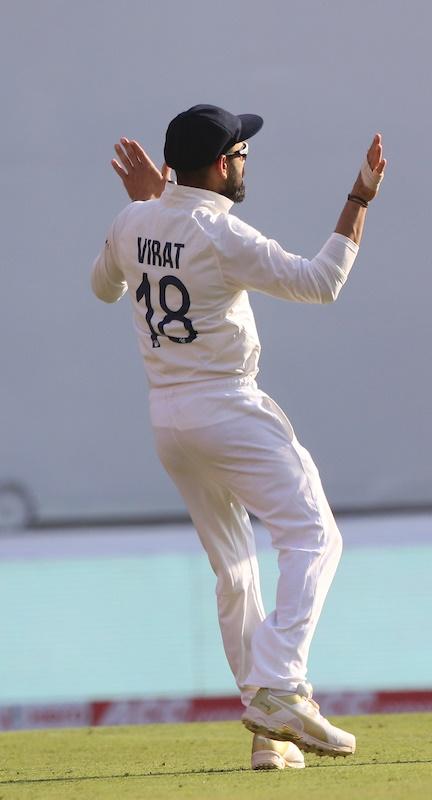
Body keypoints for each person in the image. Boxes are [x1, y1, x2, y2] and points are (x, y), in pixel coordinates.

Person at [91, 104, 386, 770]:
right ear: (221, 165)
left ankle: (268, 732)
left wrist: (149, 212)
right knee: (314, 535)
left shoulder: (133, 219)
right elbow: (322, 283)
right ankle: (281, 686)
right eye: (242, 154)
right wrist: (359, 196)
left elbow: (102, 286)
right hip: (225, 407)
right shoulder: (219, 233)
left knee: (235, 570)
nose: (247, 163)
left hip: (167, 421)